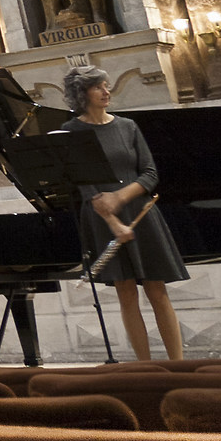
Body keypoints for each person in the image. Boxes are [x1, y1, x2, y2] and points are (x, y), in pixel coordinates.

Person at [62, 63, 187, 360]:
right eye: (98, 87)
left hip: (140, 212)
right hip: (101, 219)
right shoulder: (70, 132)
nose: (106, 92)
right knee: (126, 292)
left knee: (157, 289)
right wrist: (112, 221)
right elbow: (85, 186)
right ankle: (145, 367)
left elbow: (149, 173)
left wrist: (120, 197)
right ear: (82, 93)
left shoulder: (127, 126)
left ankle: (178, 364)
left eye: (106, 86)